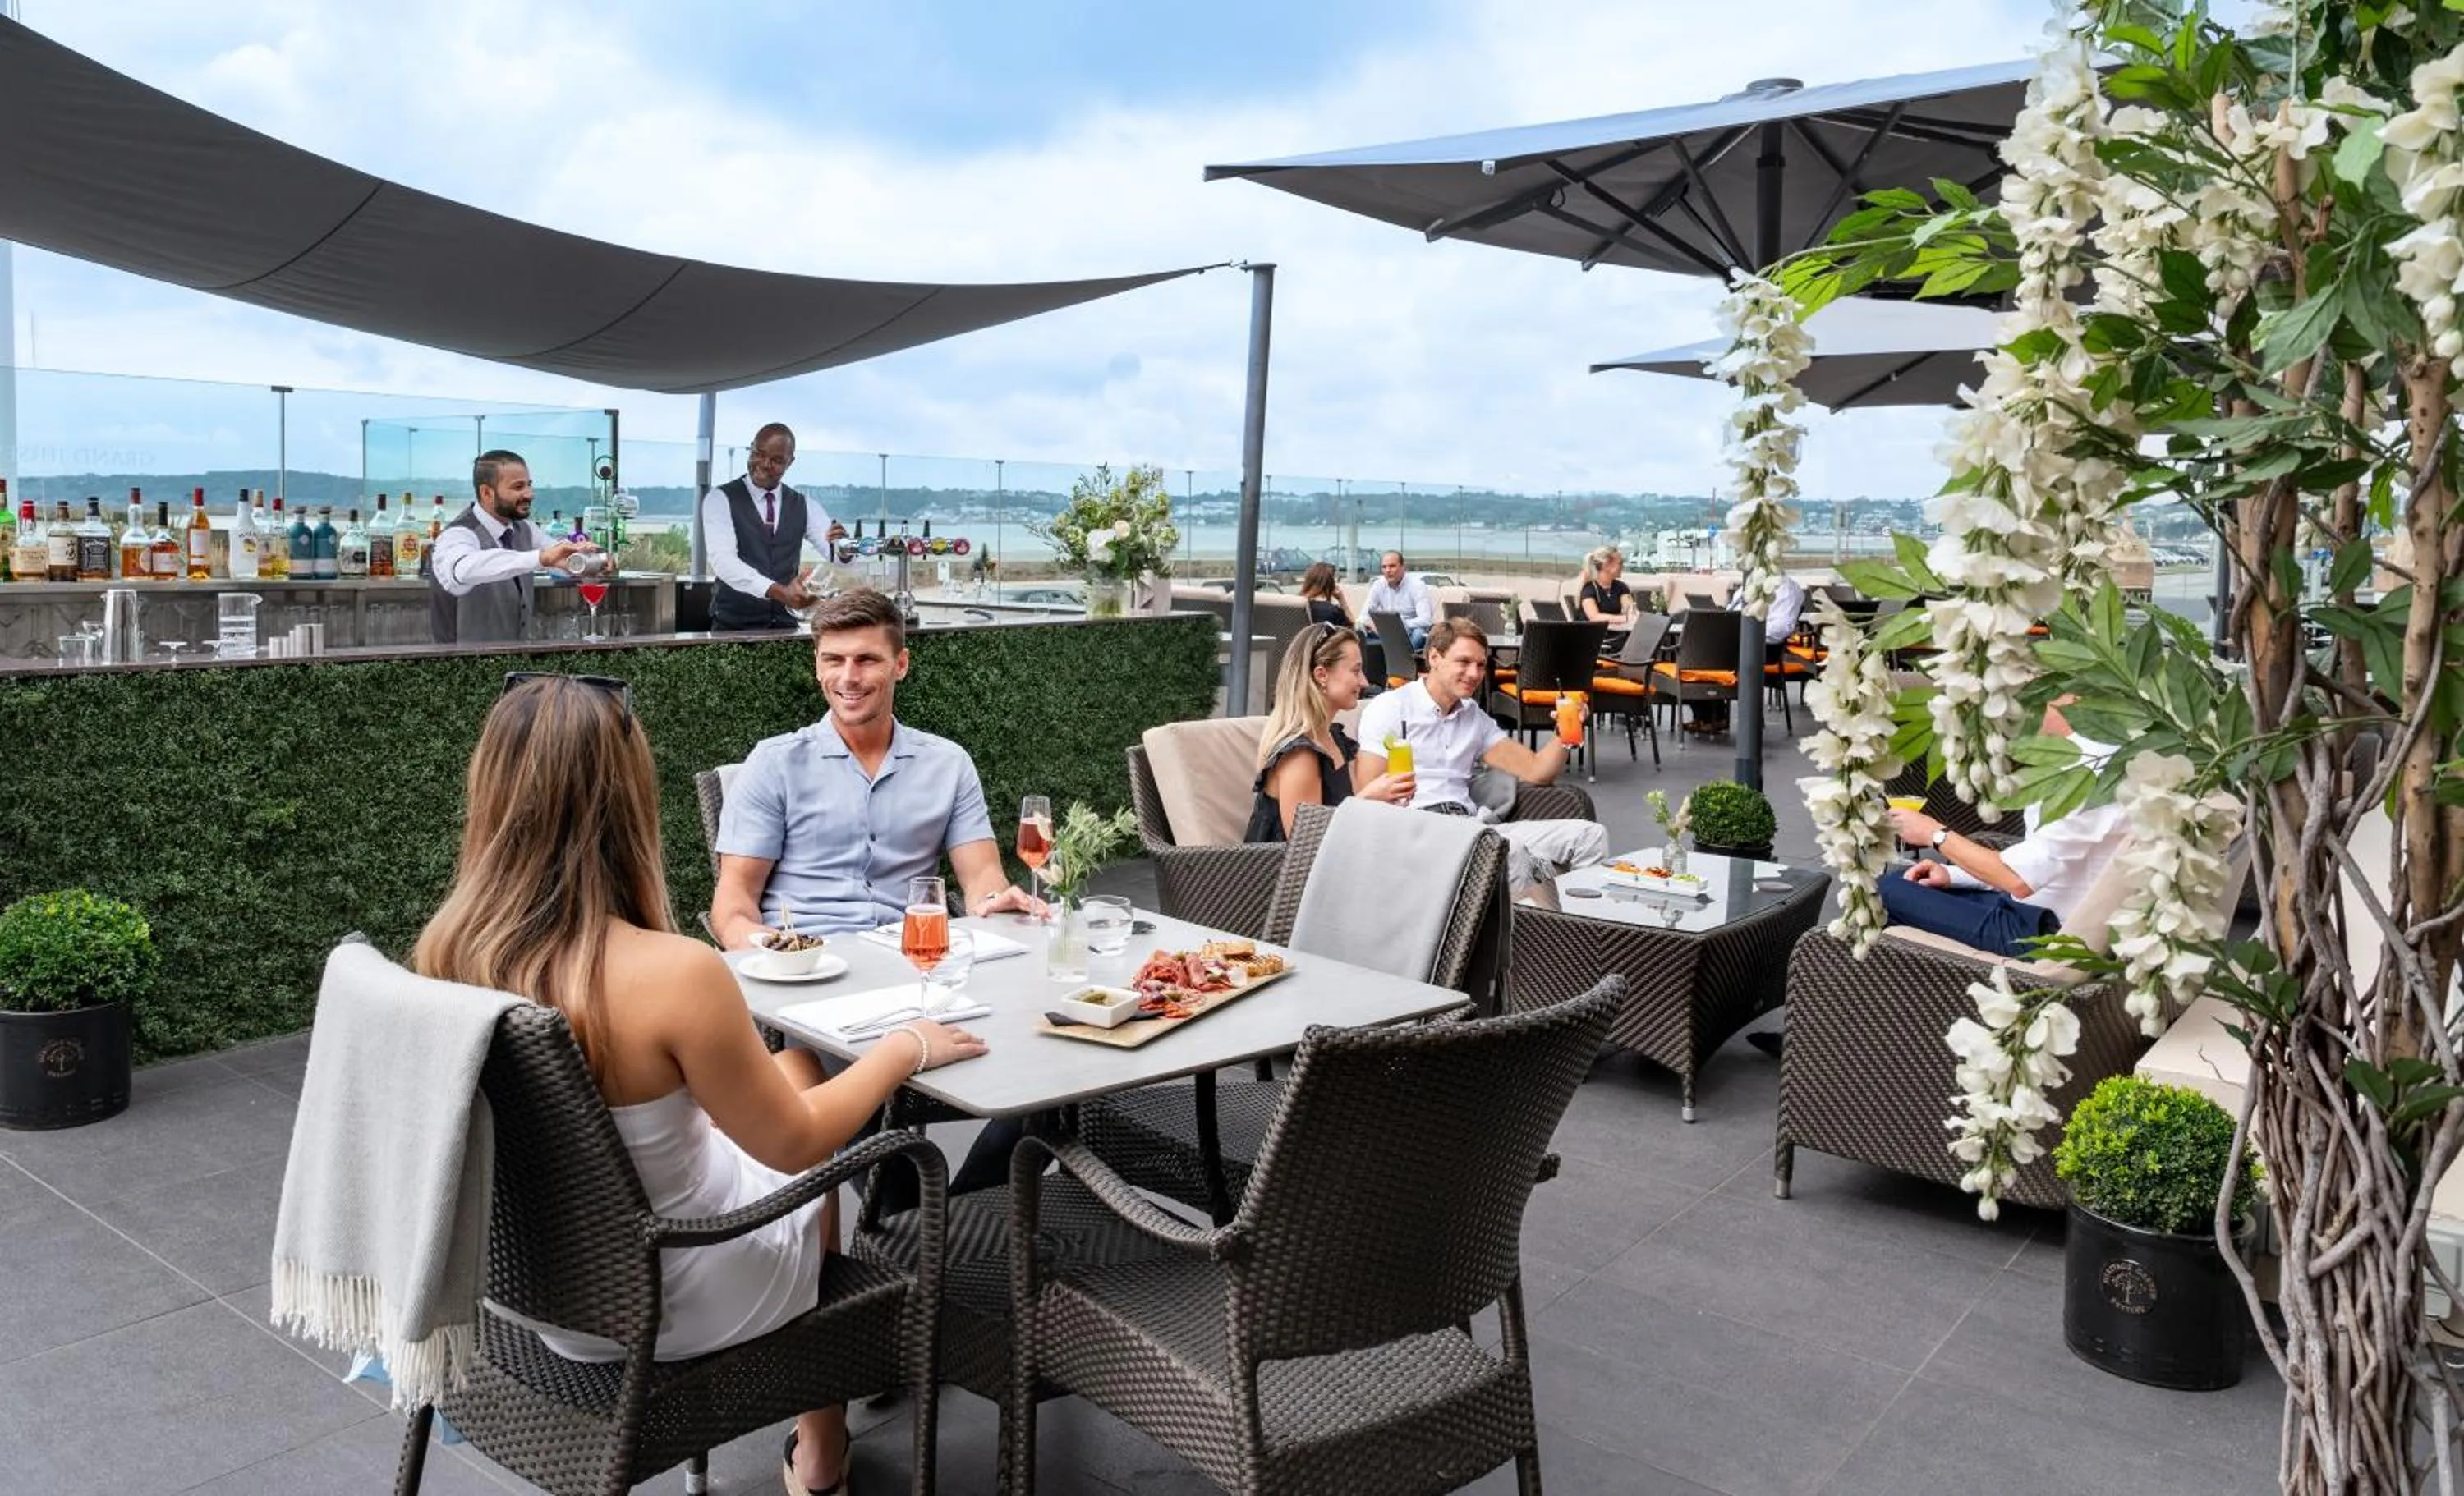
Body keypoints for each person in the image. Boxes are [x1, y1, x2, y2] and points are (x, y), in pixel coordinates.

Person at [411, 673, 985, 1495]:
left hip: (533, 1287)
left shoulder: (448, 953)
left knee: (794, 1066)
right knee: (811, 1154)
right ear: (623, 802)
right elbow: (798, 1141)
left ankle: (818, 1440)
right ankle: (819, 1442)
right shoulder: (676, 973)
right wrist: (903, 1049)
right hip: (668, 1296)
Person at [710, 588, 1041, 944]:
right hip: (805, 961)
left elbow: (982, 880)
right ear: (817, 663)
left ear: (901, 665)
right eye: (834, 660)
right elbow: (734, 906)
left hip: (912, 957)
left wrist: (996, 901)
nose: (849, 677)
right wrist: (778, 955)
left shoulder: (949, 764)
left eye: (866, 660)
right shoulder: (773, 763)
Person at [1353, 616, 1610, 890]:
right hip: (1419, 831)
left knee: (1590, 836)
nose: (1475, 674)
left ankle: (1580, 928)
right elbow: (1370, 796)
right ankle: (1525, 930)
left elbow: (1538, 771)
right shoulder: (1391, 708)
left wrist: (1563, 733)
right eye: (1464, 662)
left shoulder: (1473, 718)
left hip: (1470, 825)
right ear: (1435, 658)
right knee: (1511, 852)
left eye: (1480, 665)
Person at [1881, 704, 2130, 957]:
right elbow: (2047, 864)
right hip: (2042, 910)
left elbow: (2018, 880)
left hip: (2044, 936)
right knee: (1906, 882)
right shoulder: (2111, 750)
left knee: (1881, 892)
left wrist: (1935, 834)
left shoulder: (2085, 771)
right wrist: (1953, 875)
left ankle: (1900, 988)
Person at [1244, 623, 1413, 842]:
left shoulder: (1333, 738)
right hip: (1284, 873)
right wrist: (1367, 800)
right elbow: (1306, 846)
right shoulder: (1300, 755)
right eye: (1355, 670)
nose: (1365, 682)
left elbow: (1348, 821)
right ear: (1321, 674)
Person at [425, 449, 599, 645]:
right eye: (518, 487)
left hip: (514, 662)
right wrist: (541, 558)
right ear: (487, 493)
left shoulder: (524, 529)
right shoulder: (457, 534)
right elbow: (464, 569)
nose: (529, 495)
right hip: (462, 667)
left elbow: (559, 555)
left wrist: (591, 560)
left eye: (529, 485)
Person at [701, 423, 848, 631]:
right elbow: (724, 562)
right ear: (751, 448)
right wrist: (782, 593)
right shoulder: (720, 499)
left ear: (790, 462)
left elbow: (838, 557)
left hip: (785, 627)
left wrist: (843, 546)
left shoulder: (804, 505)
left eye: (777, 460)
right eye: (758, 454)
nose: (764, 464)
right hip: (732, 628)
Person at [1363, 550, 1435, 649]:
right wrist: (1373, 625)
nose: (1388, 571)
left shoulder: (1417, 586)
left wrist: (1400, 624)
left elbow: (1426, 620)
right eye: (1384, 567)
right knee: (1360, 632)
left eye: (1392, 566)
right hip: (1385, 632)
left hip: (1409, 632)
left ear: (1402, 567)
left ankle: (1405, 661)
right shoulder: (1378, 585)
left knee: (1419, 633)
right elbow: (1364, 615)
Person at [1578, 546, 1634, 622]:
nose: (1623, 566)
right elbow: (1595, 617)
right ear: (1606, 565)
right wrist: (1626, 618)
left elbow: (1629, 610)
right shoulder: (1589, 589)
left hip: (1616, 632)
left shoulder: (1621, 587)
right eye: (1620, 563)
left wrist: (1631, 613)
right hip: (1594, 633)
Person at [1297, 561, 1353, 628]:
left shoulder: (1295, 605)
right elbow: (1352, 626)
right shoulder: (1332, 611)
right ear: (1331, 584)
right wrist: (1341, 599)